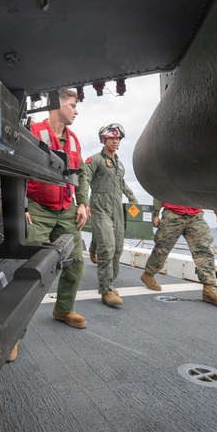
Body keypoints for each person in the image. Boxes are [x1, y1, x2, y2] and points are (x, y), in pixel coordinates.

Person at [10, 88, 90, 362]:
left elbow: (79, 175)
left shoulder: (75, 141)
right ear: (56, 105)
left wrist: (82, 203)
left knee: (76, 262)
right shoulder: (32, 131)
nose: (76, 110)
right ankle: (14, 334)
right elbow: (15, 167)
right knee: (27, 268)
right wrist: (20, 206)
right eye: (72, 104)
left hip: (66, 210)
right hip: (37, 209)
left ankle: (63, 309)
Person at [81, 123, 138, 307]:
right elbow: (84, 179)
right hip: (99, 207)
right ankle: (105, 290)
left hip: (117, 209)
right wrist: (82, 202)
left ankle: (110, 282)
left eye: (118, 138)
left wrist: (132, 198)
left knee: (118, 248)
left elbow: (121, 184)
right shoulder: (94, 160)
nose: (115, 141)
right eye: (111, 138)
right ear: (103, 140)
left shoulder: (120, 164)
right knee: (108, 247)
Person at [140, 199, 217, 308]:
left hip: (195, 215)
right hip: (172, 213)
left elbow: (210, 190)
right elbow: (159, 190)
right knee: (162, 248)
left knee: (204, 250)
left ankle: (209, 290)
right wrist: (155, 214)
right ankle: (148, 275)